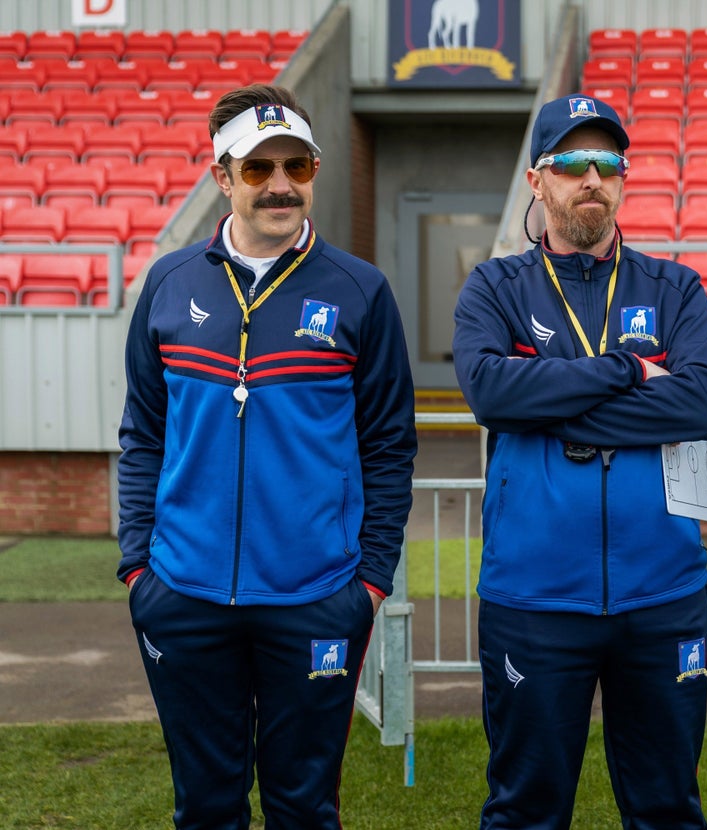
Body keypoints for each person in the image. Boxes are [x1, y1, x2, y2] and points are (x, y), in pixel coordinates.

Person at [116, 83, 418, 829]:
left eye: (297, 166)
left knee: (303, 807)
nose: (281, 185)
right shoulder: (169, 283)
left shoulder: (361, 291)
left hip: (316, 596)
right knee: (207, 807)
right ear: (222, 176)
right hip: (182, 594)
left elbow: (388, 445)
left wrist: (370, 580)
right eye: (258, 169)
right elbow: (143, 432)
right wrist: (137, 567)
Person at [451, 93, 707, 829]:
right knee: (525, 810)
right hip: (535, 598)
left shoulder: (674, 288)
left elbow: (698, 406)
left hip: (661, 596)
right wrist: (630, 372)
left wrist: (545, 393)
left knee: (667, 808)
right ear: (539, 181)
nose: (592, 179)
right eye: (572, 164)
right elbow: (491, 392)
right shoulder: (495, 287)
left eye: (609, 164)